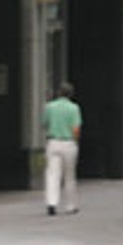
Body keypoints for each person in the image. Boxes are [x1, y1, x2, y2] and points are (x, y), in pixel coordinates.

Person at [42, 81, 82, 216]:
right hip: (68, 142)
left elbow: (45, 124)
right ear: (71, 94)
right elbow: (76, 128)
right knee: (69, 176)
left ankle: (51, 203)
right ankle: (70, 206)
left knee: (52, 174)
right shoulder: (74, 108)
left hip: (53, 142)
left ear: (58, 93)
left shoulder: (49, 107)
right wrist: (75, 140)